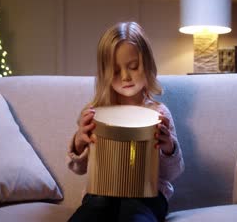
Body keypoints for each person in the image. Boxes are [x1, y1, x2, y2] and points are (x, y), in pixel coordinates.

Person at [66, 21, 184, 222]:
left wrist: (168, 148)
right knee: (95, 208)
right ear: (104, 73)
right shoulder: (95, 112)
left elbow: (172, 173)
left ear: (147, 65)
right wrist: (79, 142)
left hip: (148, 195)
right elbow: (80, 168)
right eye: (116, 70)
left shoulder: (158, 113)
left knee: (135, 210)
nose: (125, 77)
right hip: (101, 194)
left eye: (133, 67)